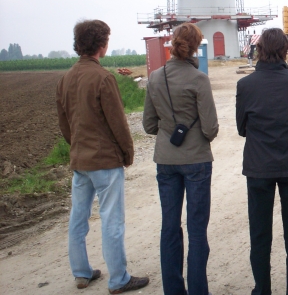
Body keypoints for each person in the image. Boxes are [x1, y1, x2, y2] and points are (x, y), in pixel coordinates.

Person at [56, 19, 150, 294]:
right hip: (105, 161)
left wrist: (76, 146)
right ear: (102, 44)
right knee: (112, 219)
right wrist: (127, 152)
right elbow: (118, 123)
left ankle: (81, 272)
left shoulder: (65, 79)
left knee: (78, 217)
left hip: (80, 159)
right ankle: (119, 279)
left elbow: (64, 123)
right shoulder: (103, 78)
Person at [143, 23, 219, 295]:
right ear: (196, 46)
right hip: (196, 160)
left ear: (173, 44)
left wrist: (169, 130)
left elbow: (149, 125)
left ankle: (174, 290)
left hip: (166, 161)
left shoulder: (155, 77)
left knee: (169, 227)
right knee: (197, 230)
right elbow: (210, 129)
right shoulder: (199, 79)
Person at [236, 28, 288, 295]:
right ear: (284, 50)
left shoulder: (245, 85)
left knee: (259, 236)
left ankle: (262, 290)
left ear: (259, 50)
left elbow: (241, 127)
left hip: (259, 165)